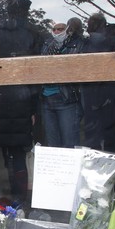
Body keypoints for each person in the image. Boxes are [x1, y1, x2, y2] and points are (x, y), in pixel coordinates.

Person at [0, 0, 39, 202]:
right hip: (21, 102)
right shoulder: (31, 37)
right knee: (17, 157)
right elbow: (35, 77)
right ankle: (20, 199)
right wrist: (34, 108)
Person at [39, 17, 86, 148]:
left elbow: (75, 69)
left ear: (67, 29)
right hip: (47, 99)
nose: (57, 31)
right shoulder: (47, 44)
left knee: (70, 143)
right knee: (52, 144)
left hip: (67, 99)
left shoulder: (77, 43)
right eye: (54, 29)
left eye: (60, 28)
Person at [80, 12, 115, 152]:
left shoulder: (85, 44)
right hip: (107, 91)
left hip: (95, 92)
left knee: (93, 135)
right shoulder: (112, 42)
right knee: (109, 134)